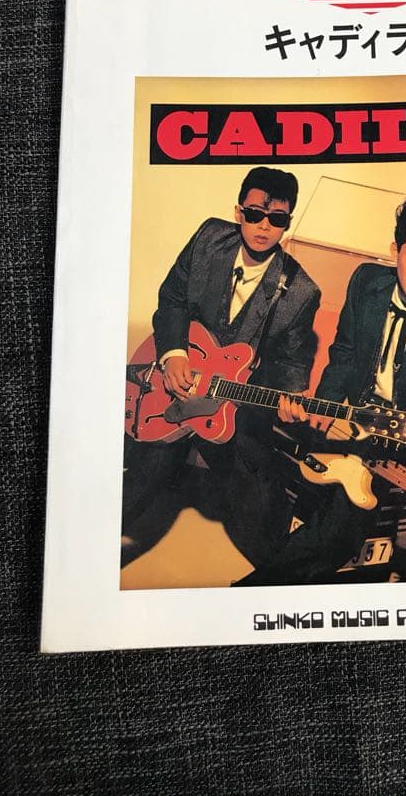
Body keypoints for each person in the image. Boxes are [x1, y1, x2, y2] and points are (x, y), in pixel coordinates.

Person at [241, 192, 406, 585]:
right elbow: (344, 353)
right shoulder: (366, 282)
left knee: (360, 532)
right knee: (261, 453)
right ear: (395, 249)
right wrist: (325, 404)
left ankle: (256, 590)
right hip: (353, 422)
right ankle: (258, 588)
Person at [122, 166, 321, 567]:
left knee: (261, 522)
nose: (263, 227)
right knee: (144, 480)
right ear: (238, 212)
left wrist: (291, 397)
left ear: (288, 223)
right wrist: (174, 354)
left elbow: (291, 362)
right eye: (255, 214)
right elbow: (173, 299)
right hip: (171, 388)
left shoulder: (301, 291)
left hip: (234, 408)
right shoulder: (208, 238)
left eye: (277, 219)